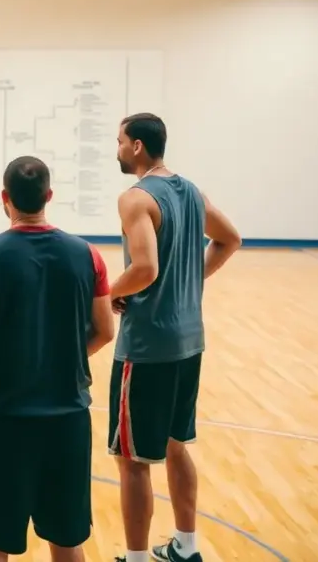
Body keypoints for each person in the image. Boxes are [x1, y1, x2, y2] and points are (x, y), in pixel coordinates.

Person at [0, 155, 116, 562]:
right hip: (68, 418)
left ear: (5, 198)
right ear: (49, 196)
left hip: (4, 419)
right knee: (66, 540)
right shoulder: (89, 255)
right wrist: (66, 355)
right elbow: (105, 330)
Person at [108, 113, 241, 562]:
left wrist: (109, 292)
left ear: (139, 147)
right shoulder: (191, 192)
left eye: (121, 141)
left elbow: (144, 269)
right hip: (189, 342)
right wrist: (190, 282)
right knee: (175, 444)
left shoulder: (135, 198)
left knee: (132, 461)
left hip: (147, 347)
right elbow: (230, 239)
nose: (119, 148)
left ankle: (137, 558)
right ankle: (186, 548)